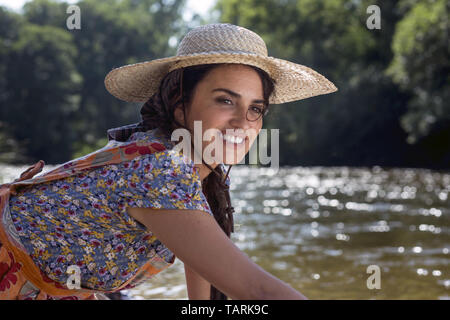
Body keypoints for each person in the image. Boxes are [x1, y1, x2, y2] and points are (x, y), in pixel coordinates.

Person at [0, 23, 337, 300]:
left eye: (255, 109)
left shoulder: (187, 165)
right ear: (180, 104)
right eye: (225, 100)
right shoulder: (160, 172)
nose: (242, 122)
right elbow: (256, 290)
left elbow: (205, 272)